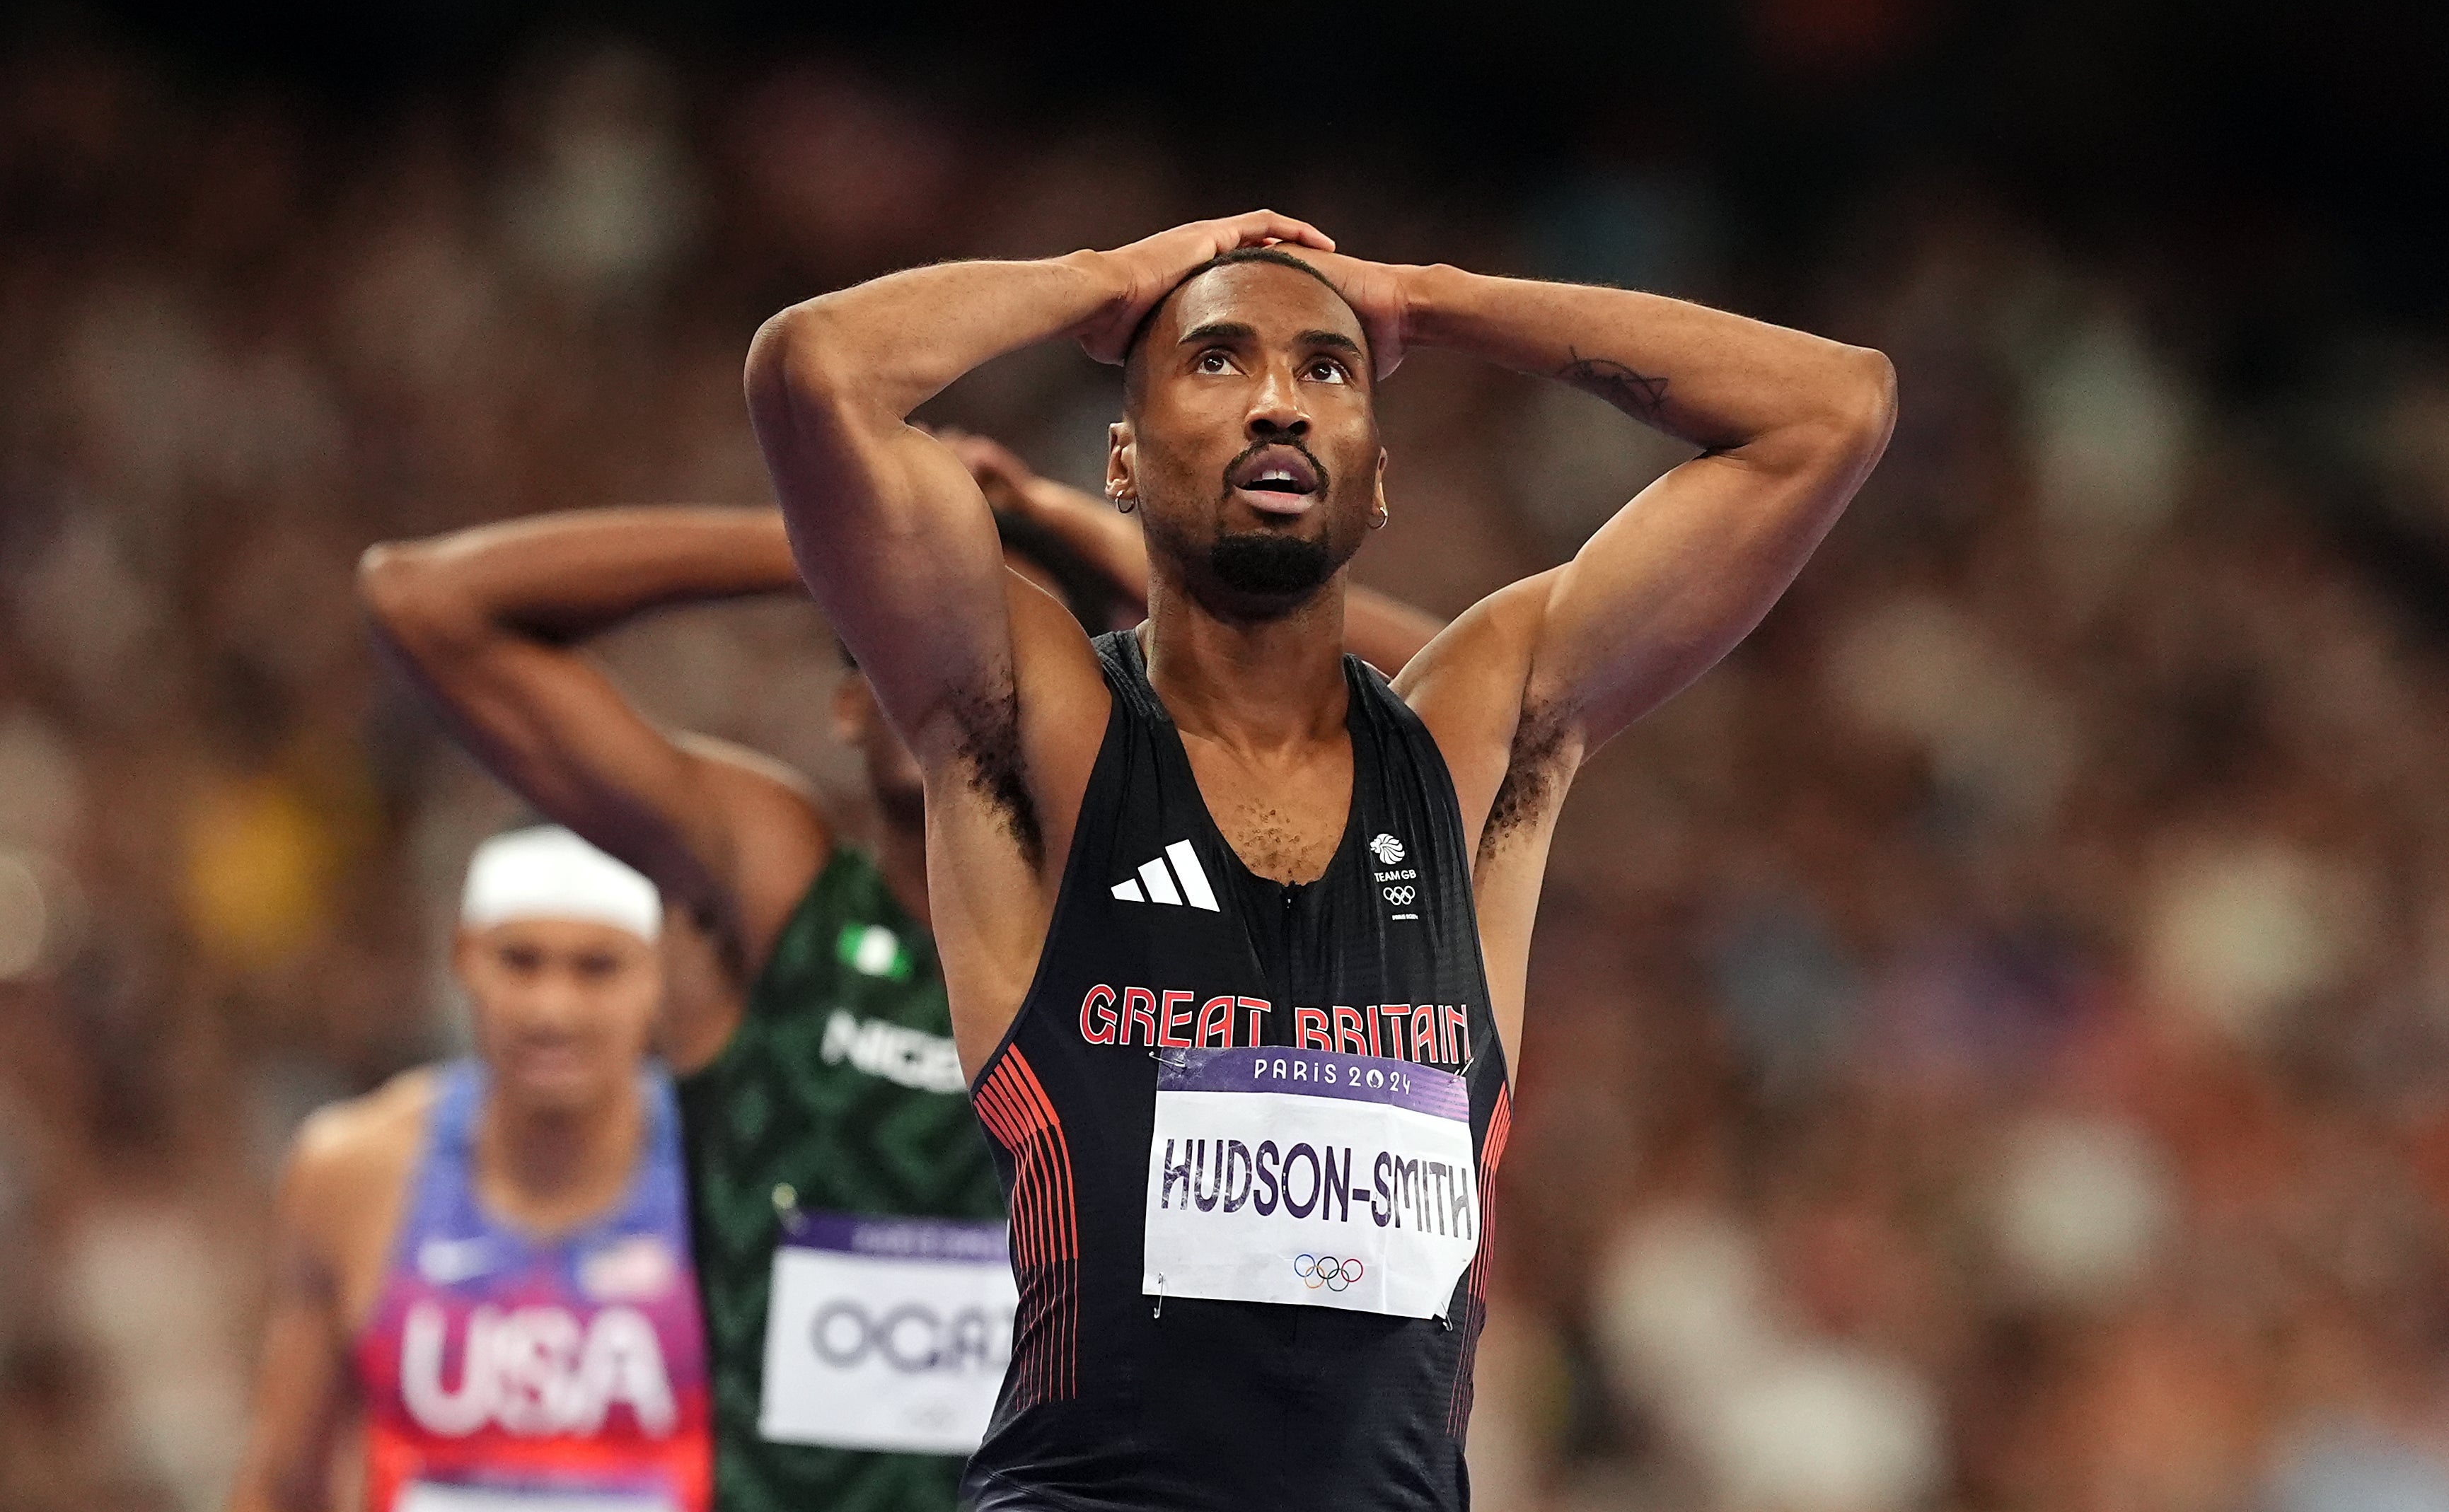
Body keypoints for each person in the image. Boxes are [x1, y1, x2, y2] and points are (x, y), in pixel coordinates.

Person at [743, 212, 1897, 1510]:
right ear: (1121, 462)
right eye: (1218, 361)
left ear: (1378, 475)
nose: (1279, 405)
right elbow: (812, 373)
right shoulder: (1041, 729)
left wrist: (1425, 297)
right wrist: (1106, 284)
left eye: (1326, 371)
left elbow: (1831, 409)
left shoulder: (1470, 751)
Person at [353, 442, 1440, 1512]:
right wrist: (827, 550)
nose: (953, 689)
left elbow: (1451, 727)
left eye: (996, 663)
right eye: (907, 650)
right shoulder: (779, 891)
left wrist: (1104, 546)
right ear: (846, 700)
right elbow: (424, 606)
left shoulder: (1168, 939)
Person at [229, 826, 710, 1512]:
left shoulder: (725, 1162)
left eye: (597, 968)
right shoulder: (355, 1169)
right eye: (520, 962)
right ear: (464, 959)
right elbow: (281, 1482)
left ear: (657, 977)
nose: (552, 1009)